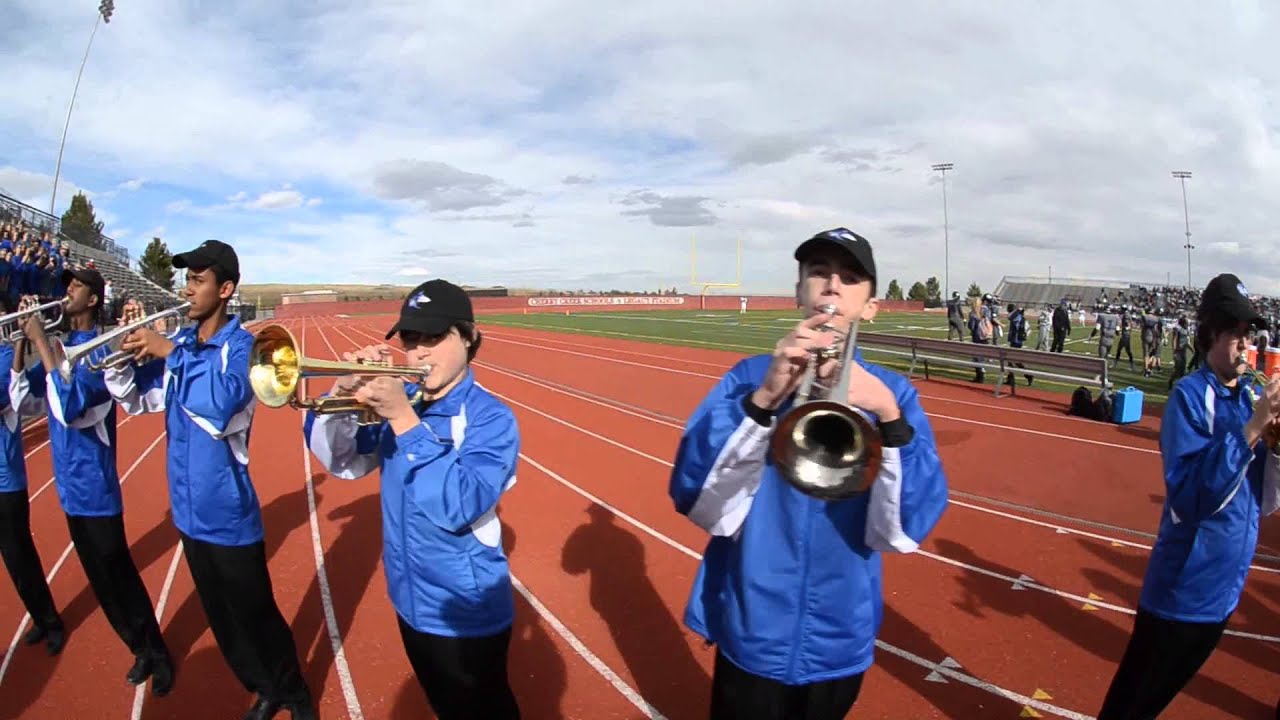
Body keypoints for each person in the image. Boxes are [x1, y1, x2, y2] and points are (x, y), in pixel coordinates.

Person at [668, 228, 950, 720]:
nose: (832, 287)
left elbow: (907, 527)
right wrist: (763, 401)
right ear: (800, 292)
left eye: (850, 278)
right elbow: (696, 498)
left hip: (838, 635)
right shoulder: (747, 377)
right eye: (818, 273)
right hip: (754, 627)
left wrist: (887, 415)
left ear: (869, 306)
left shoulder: (895, 394)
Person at [103, 240, 316, 720]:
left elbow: (218, 408)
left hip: (228, 513)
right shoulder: (181, 344)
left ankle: (294, 691)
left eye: (198, 280)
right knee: (223, 621)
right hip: (187, 511)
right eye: (187, 279)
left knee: (256, 615)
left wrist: (168, 354)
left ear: (226, 289)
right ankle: (263, 687)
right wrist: (121, 362)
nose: (188, 289)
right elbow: (145, 401)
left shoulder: (247, 348)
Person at [304, 278, 522, 720]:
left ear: (469, 337)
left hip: (465, 609)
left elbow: (459, 505)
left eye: (434, 337)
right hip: (409, 599)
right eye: (411, 339)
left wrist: (404, 420)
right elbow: (343, 460)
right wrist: (344, 394)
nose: (420, 352)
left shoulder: (491, 418)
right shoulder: (406, 401)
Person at [1096, 273, 1280, 720]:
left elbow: (1264, 499)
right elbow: (1192, 497)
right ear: (1210, 333)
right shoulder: (1189, 398)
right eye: (1234, 332)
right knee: (1130, 708)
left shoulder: (1246, 396)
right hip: (1182, 593)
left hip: (1223, 589)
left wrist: (1275, 446)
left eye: (1247, 333)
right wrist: (1254, 428)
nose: (1244, 343)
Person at [9, 269, 174, 695]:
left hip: (96, 490)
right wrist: (22, 345)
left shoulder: (102, 354)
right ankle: (138, 648)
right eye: (68, 286)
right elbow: (26, 402)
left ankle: (158, 652)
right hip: (68, 490)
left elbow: (70, 407)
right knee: (102, 585)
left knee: (121, 578)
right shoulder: (61, 349)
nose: (67, 292)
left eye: (76, 288)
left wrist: (42, 343)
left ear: (94, 300)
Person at [0, 297, 66, 656]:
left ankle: (48, 620)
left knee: (18, 557)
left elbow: (4, 393)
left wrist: (21, 343)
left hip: (4, 480)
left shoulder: (2, 359)